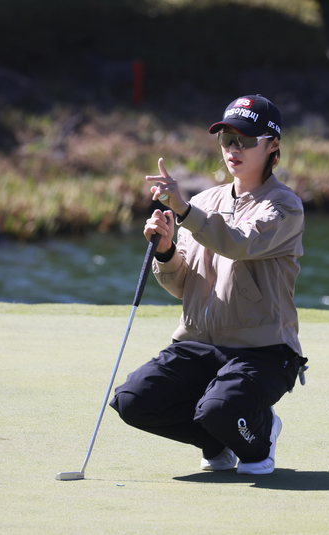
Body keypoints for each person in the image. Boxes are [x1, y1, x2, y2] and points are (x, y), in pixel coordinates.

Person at [110, 94, 307, 475]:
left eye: (246, 140)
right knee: (132, 401)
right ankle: (215, 439)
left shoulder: (285, 206)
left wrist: (184, 211)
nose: (234, 149)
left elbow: (236, 241)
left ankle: (260, 434)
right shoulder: (205, 201)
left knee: (222, 409)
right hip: (198, 344)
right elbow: (183, 286)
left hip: (263, 351)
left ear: (273, 145)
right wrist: (166, 251)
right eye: (227, 139)